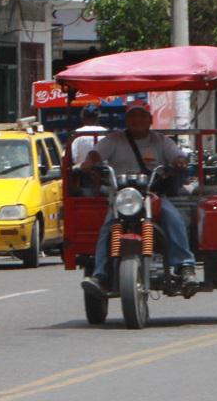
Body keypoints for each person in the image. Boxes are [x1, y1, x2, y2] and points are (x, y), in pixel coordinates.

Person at [80, 104, 196, 293]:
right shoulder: (114, 139)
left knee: (173, 219)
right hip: (123, 198)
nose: (137, 120)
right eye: (133, 116)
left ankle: (185, 266)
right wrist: (90, 162)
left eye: (142, 116)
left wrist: (179, 161)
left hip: (152, 196)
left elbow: (176, 155)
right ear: (126, 120)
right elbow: (96, 153)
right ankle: (100, 275)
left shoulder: (161, 141)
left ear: (150, 120)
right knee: (107, 229)